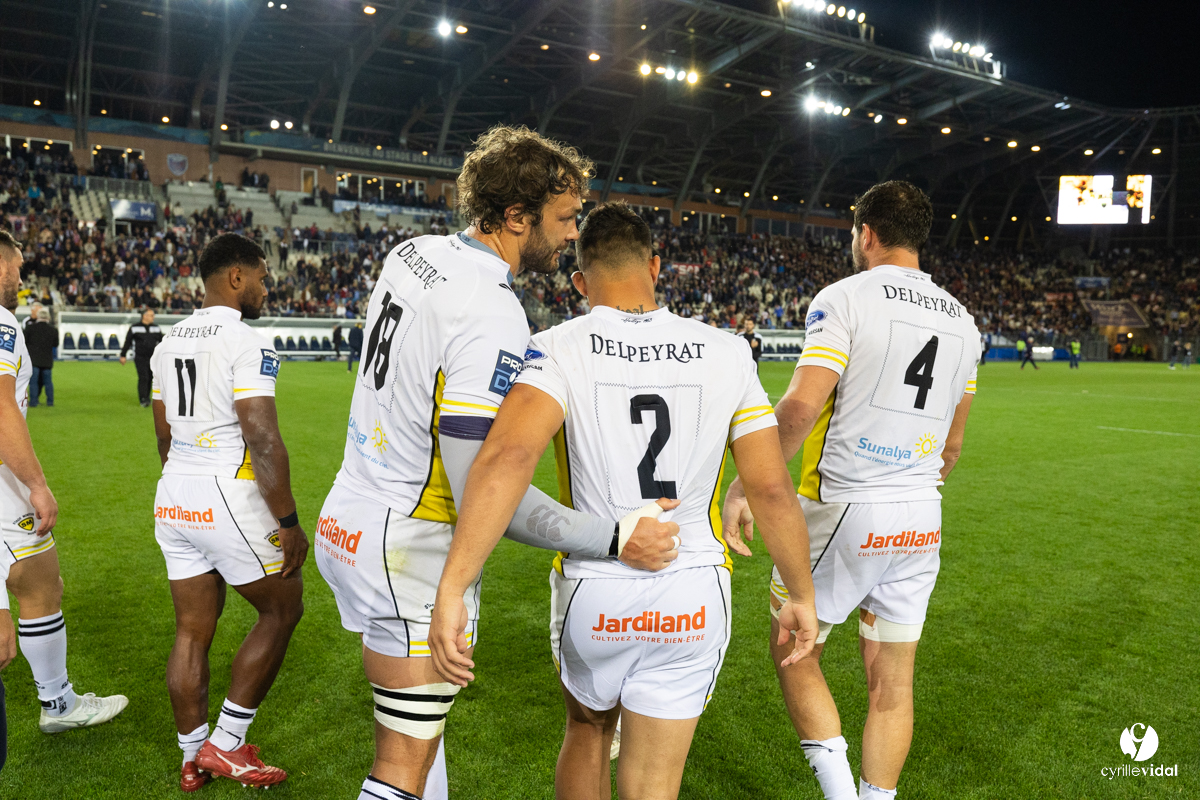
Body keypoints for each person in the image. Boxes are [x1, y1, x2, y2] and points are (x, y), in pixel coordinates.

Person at [314, 127, 679, 800]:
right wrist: (614, 535)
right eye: (565, 220)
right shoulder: (492, 312)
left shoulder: (412, 252)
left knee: (421, 743)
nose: (573, 235)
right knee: (399, 766)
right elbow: (484, 485)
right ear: (517, 217)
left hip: (349, 516)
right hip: (410, 547)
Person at [428, 203, 819, 800]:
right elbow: (769, 488)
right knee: (656, 782)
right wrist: (801, 594)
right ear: (656, 267)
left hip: (598, 588)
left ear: (580, 280)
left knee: (586, 732)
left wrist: (453, 587)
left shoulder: (557, 346)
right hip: (692, 590)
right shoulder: (727, 350)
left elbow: (505, 461)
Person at [722, 181, 980, 800]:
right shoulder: (965, 321)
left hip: (849, 505)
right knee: (893, 683)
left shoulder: (845, 297)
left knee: (793, 641)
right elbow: (952, 446)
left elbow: (800, 407)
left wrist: (744, 485)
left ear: (865, 233)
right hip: (922, 517)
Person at [150, 233, 308, 791]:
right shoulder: (245, 341)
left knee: (192, 630)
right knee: (283, 609)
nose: (267, 286)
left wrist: (185, 482)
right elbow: (261, 436)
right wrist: (287, 524)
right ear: (236, 277)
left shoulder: (167, 342)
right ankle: (228, 745)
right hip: (224, 489)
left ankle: (192, 758)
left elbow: (163, 433)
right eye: (262, 276)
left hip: (173, 491)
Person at [0, 230, 129, 734]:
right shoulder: (2, 321)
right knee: (41, 582)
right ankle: (57, 704)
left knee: (41, 579)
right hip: (5, 489)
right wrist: (37, 482)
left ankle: (58, 703)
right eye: (15, 265)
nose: (20, 277)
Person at [120, 308, 164, 406]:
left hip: (153, 358)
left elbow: (162, 343)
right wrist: (123, 355)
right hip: (140, 357)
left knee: (150, 378)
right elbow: (127, 342)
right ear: (145, 316)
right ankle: (143, 399)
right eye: (151, 315)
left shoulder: (156, 328)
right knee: (143, 377)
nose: (154, 317)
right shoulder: (134, 328)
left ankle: (147, 397)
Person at [24, 308, 58, 408]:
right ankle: (50, 402)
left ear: (38, 316)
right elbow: (55, 344)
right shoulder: (53, 330)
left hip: (33, 360)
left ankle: (33, 402)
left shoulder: (30, 328)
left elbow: (24, 342)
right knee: (48, 382)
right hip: (47, 360)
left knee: (33, 382)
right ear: (48, 317)